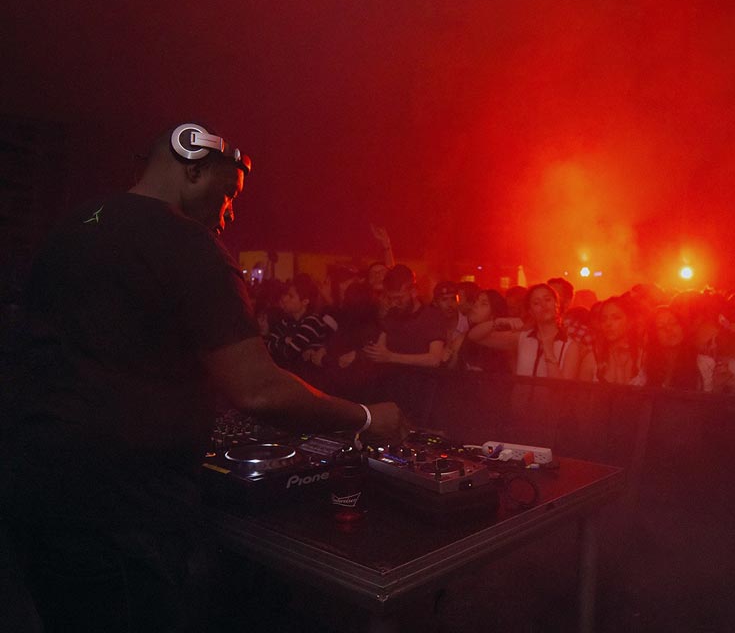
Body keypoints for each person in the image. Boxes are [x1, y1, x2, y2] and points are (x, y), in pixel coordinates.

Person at [2, 122, 405, 632]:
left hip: (34, 488)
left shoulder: (72, 228)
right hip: (120, 510)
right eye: (229, 193)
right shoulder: (186, 242)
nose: (230, 211)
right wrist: (366, 417)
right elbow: (258, 390)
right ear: (192, 168)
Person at [468, 283, 581, 379]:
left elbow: (563, 390)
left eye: (547, 300)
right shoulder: (523, 338)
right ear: (531, 311)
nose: (543, 305)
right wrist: (498, 322)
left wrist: (549, 352)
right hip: (520, 399)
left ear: (557, 305)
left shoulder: (569, 346)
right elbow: (474, 336)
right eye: (536, 303)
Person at [362, 264, 445, 367]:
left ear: (414, 292)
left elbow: (434, 359)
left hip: (421, 376)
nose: (394, 303)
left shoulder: (432, 316)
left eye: (399, 298)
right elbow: (380, 349)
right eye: (390, 298)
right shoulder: (392, 314)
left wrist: (391, 357)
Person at [264, 273, 336, 373]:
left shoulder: (311, 321)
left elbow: (290, 353)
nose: (285, 299)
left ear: (305, 301)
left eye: (291, 296)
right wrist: (285, 340)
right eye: (286, 294)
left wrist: (280, 344)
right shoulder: (286, 321)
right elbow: (266, 347)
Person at [578, 295, 646, 385]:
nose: (608, 324)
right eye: (604, 319)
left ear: (630, 321)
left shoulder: (642, 358)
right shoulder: (593, 358)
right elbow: (581, 392)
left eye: (616, 318)